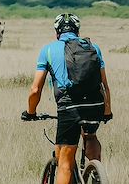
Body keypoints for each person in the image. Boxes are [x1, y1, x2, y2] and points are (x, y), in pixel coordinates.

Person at [21, 13, 113, 184]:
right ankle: (96, 174)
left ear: (57, 32)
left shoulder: (48, 50)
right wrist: (107, 111)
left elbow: (35, 89)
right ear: (77, 31)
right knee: (90, 136)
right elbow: (104, 85)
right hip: (96, 103)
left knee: (64, 162)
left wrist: (31, 112)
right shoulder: (94, 47)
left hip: (69, 106)